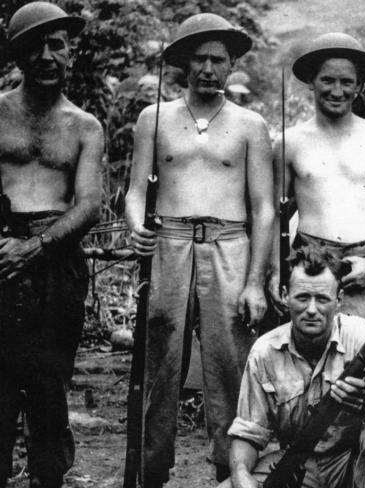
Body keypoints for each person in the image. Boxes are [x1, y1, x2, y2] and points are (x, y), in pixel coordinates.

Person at [125, 13, 274, 486]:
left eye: (218, 60)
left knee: (230, 365)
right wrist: (135, 225)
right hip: (168, 243)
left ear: (232, 66)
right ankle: (151, 471)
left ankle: (230, 472)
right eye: (199, 59)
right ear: (184, 65)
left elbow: (264, 207)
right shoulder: (155, 117)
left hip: (229, 244)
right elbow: (133, 192)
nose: (208, 68)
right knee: (159, 364)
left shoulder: (251, 125)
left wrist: (254, 281)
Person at [0, 2, 103, 487]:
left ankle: (48, 479)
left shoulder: (84, 126)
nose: (46, 55)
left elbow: (88, 205)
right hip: (0, 255)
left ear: (70, 53)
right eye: (34, 46)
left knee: (48, 387)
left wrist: (36, 247)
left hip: (56, 265)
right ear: (17, 54)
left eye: (56, 45)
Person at [221, 245, 365, 488]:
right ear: (286, 295)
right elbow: (248, 433)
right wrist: (241, 475)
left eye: (322, 299)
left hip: (350, 463)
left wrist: (363, 403)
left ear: (339, 300)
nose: (311, 309)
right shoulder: (264, 352)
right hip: (298, 463)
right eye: (302, 297)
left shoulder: (360, 337)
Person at [268, 32, 365, 328]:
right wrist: (275, 272)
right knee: (304, 360)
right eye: (327, 80)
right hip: (308, 265)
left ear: (359, 86)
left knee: (362, 361)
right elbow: (271, 215)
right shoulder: (289, 142)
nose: (337, 91)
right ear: (311, 82)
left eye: (347, 82)